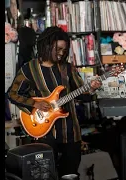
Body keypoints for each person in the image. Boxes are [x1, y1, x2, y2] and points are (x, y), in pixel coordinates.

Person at [7, 26, 102, 179]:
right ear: (46, 45)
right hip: (44, 132)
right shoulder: (29, 68)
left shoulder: (68, 68)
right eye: (58, 49)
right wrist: (34, 104)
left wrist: (91, 89)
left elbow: (83, 95)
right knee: (45, 175)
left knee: (71, 174)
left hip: (71, 132)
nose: (61, 53)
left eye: (64, 50)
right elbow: (12, 94)